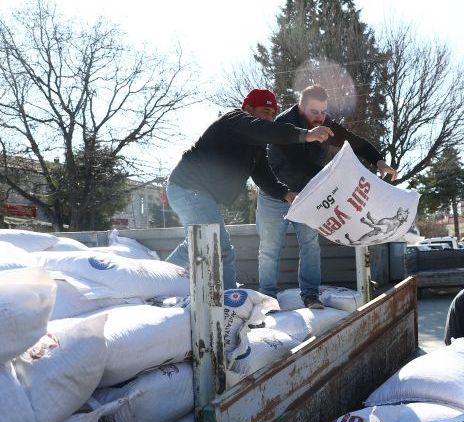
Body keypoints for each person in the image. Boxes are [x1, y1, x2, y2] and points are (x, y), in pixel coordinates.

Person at [165, 89, 333, 289]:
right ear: (248, 108)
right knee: (220, 247)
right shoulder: (234, 120)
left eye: (273, 114)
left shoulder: (255, 145)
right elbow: (264, 130)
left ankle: (152, 279)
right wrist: (304, 134)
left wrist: (284, 193)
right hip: (188, 188)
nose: (269, 118)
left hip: (196, 193)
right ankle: (230, 304)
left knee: (195, 245)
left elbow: (262, 173)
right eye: (265, 111)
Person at [256, 85, 397, 308]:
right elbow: (296, 164)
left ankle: (310, 295)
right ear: (301, 107)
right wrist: (336, 179)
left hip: (306, 195)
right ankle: (267, 298)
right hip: (275, 194)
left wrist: (378, 160)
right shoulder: (283, 124)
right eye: (314, 112)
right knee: (270, 248)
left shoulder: (326, 123)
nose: (319, 118)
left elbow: (354, 141)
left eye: (323, 111)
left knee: (311, 244)